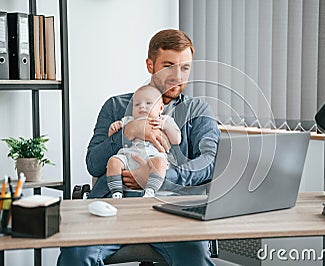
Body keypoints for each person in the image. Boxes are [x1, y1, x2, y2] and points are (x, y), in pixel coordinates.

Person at [57, 29, 219, 266]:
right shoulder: (115, 106)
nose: (177, 75)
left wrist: (159, 177)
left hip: (171, 209)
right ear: (150, 65)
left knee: (195, 255)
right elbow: (93, 164)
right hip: (112, 206)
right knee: (76, 255)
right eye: (169, 65)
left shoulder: (197, 111)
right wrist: (127, 132)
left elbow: (209, 162)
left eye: (185, 67)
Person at [106, 85, 181, 198]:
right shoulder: (128, 120)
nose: (142, 107)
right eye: (137, 104)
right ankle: (116, 193)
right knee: (113, 162)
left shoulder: (164, 120)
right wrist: (114, 128)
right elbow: (112, 139)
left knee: (160, 163)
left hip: (153, 157)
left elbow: (177, 140)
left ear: (160, 108)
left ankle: (150, 191)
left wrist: (165, 126)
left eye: (148, 103)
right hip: (128, 156)